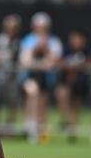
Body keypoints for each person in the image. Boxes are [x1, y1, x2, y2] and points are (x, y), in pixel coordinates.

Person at [19, 12, 62, 143]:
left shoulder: (54, 41)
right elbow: (25, 61)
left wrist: (46, 51)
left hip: (47, 78)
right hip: (30, 76)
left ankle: (41, 130)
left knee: (43, 102)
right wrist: (36, 51)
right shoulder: (27, 40)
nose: (41, 28)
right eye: (38, 26)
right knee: (33, 95)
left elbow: (54, 61)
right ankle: (30, 127)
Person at [55, 29, 91, 142]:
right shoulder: (66, 50)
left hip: (81, 82)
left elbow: (90, 64)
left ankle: (73, 131)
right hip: (66, 81)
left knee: (77, 106)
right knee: (61, 94)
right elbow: (60, 62)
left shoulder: (87, 51)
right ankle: (67, 121)